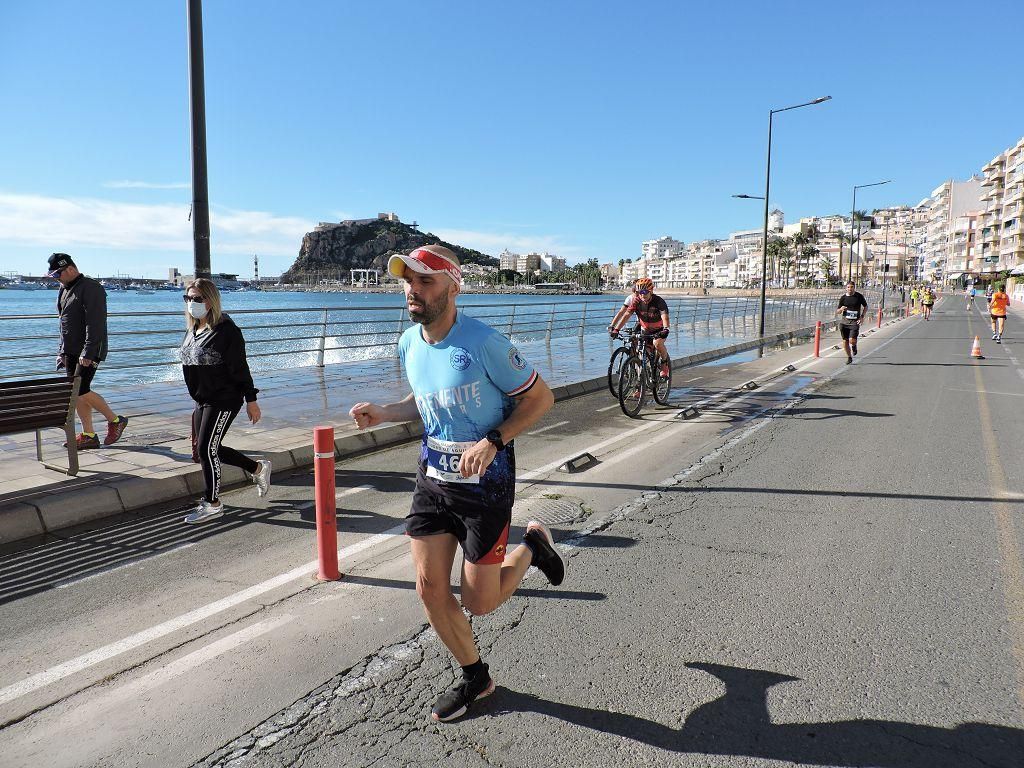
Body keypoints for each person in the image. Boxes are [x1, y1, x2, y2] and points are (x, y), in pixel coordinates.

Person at [348, 245, 560, 723]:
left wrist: (494, 440)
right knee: (429, 589)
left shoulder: (484, 343)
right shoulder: (408, 343)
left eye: (425, 281)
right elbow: (426, 401)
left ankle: (532, 544)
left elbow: (542, 398)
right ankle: (476, 677)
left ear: (452, 285)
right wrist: (386, 412)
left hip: (485, 487)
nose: (413, 290)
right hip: (433, 482)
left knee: (481, 602)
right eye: (408, 281)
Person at [179, 278, 271, 524]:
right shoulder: (193, 330)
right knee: (209, 450)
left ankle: (212, 503)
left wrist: (251, 400)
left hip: (225, 398)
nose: (191, 303)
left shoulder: (226, 329)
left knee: (205, 449)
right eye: (188, 298)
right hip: (202, 400)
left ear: (211, 300)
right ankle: (257, 469)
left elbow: (240, 368)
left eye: (197, 299)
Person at [47, 253, 128, 449]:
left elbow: (96, 323)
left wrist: (89, 352)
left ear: (70, 269)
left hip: (88, 350)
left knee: (80, 390)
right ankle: (89, 434)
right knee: (78, 393)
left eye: (58, 274)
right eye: (53, 276)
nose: (56, 278)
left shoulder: (91, 288)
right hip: (71, 351)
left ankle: (115, 421)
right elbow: (63, 323)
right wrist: (61, 351)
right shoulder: (64, 289)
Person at [607, 277, 672, 378]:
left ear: (651, 291)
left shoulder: (659, 301)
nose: (642, 295)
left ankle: (664, 363)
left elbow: (665, 317)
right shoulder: (637, 301)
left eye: (645, 292)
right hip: (645, 330)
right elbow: (626, 315)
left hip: (659, 330)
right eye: (640, 292)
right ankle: (640, 384)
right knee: (640, 354)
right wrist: (616, 329)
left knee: (657, 343)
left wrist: (666, 328)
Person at [835, 280, 868, 364]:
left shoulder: (859, 296)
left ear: (854, 288)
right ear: (846, 288)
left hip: (854, 322)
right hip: (844, 322)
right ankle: (849, 357)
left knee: (852, 340)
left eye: (852, 287)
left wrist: (862, 317)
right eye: (848, 287)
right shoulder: (843, 298)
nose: (850, 289)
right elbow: (837, 311)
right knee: (845, 341)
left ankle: (854, 345)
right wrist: (841, 309)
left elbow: (866, 306)